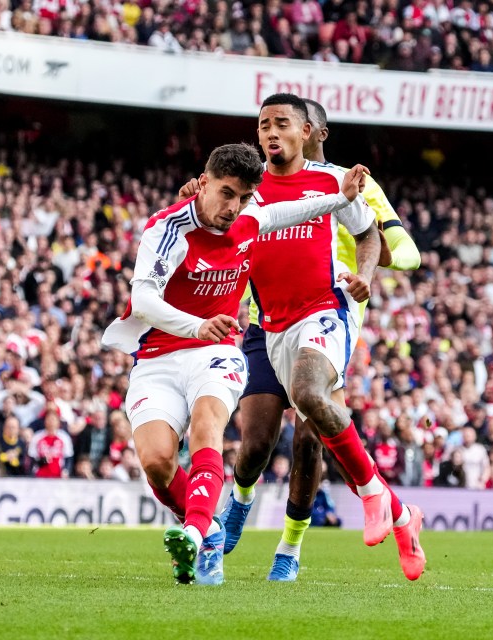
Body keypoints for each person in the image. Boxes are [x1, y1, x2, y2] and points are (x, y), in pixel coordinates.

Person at [179, 97, 425, 581]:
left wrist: (364, 275)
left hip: (325, 310)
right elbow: (210, 225)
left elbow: (380, 239)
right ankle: (392, 513)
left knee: (311, 426)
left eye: (281, 124)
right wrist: (199, 199)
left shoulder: (340, 179)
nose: (270, 132)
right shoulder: (248, 188)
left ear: (309, 131)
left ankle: (293, 547)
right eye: (263, 125)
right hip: (265, 324)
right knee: (254, 447)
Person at [102, 142, 367, 585]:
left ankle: (196, 534)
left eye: (244, 198)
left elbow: (289, 213)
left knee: (208, 426)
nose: (234, 208)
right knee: (156, 461)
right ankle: (211, 526)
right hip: (158, 356)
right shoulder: (166, 229)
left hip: (218, 350)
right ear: (203, 182)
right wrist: (194, 325)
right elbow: (143, 299)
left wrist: (341, 198)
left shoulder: (249, 218)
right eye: (226, 194)